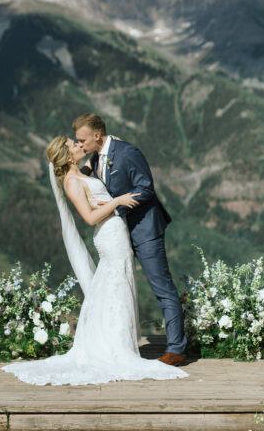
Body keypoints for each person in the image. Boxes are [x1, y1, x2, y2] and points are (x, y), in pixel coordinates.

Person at [2, 135, 187, 386]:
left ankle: (117, 342)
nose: (79, 145)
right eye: (74, 144)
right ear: (68, 157)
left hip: (116, 232)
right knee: (117, 286)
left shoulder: (82, 171)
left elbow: (98, 158)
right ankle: (115, 347)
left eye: (79, 141)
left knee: (116, 286)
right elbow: (89, 218)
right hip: (110, 235)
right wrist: (118, 201)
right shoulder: (71, 182)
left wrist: (112, 145)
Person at [73, 112, 187, 366]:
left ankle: (177, 349)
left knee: (162, 288)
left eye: (82, 140)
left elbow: (145, 188)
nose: (79, 144)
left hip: (144, 228)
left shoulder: (127, 152)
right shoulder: (95, 156)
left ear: (97, 135)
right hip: (118, 234)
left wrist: (116, 208)